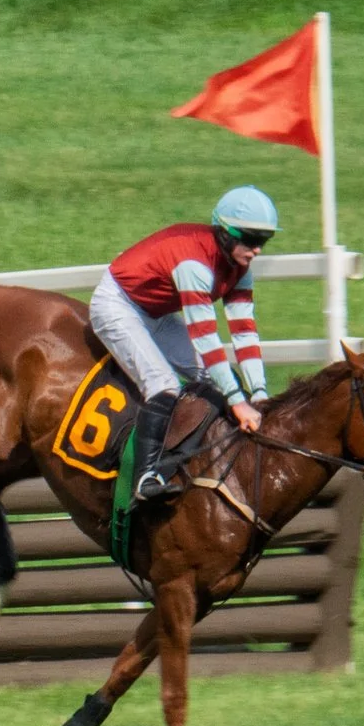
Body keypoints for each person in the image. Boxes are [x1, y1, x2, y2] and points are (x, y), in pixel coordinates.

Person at [88, 185, 277, 504]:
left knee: (220, 381)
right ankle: (145, 478)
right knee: (163, 384)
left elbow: (244, 332)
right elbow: (206, 339)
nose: (257, 250)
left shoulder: (240, 268)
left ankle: (187, 461)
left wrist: (257, 394)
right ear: (227, 234)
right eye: (252, 240)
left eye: (264, 241)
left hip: (155, 313)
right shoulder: (194, 264)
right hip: (117, 304)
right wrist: (237, 402)